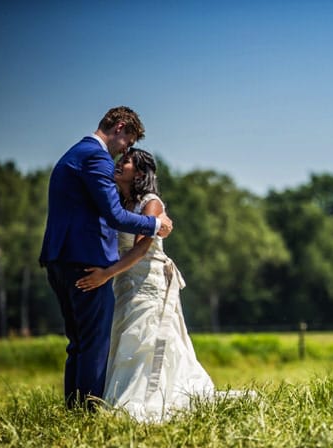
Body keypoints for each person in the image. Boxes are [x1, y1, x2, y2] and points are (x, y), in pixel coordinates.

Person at [75, 149, 249, 422]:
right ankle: (114, 395)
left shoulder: (151, 203)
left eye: (126, 162)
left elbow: (140, 251)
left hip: (148, 280)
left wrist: (105, 274)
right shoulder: (117, 205)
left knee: (146, 337)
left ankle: (143, 400)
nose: (119, 164)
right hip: (124, 282)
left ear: (141, 173)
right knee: (123, 337)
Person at [39, 106, 173, 410]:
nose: (125, 150)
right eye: (128, 142)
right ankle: (89, 412)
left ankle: (74, 409)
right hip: (87, 261)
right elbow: (113, 215)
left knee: (77, 342)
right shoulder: (95, 156)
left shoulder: (74, 153)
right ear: (120, 127)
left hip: (60, 258)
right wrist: (155, 225)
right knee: (94, 343)